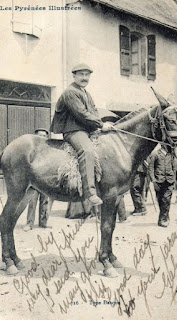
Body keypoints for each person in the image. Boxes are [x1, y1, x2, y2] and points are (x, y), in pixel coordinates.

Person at [50, 63, 112, 206]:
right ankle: (90, 193)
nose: (84, 77)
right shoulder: (70, 92)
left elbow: (94, 111)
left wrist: (100, 126)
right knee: (87, 150)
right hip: (73, 130)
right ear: (74, 76)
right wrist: (101, 124)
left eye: (87, 75)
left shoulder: (85, 93)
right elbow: (81, 114)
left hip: (86, 130)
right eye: (81, 74)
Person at [24, 128, 50, 232]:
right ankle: (29, 224)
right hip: (34, 181)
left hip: (45, 180)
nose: (42, 138)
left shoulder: (49, 151)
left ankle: (43, 223)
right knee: (32, 201)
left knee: (44, 201)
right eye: (40, 135)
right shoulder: (31, 150)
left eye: (44, 136)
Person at [149, 144, 177, 227]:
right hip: (158, 181)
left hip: (169, 180)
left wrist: (174, 178)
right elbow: (151, 168)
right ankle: (163, 217)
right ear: (163, 145)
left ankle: (164, 219)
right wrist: (153, 180)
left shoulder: (171, 155)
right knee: (160, 200)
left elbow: (174, 168)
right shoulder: (155, 154)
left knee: (166, 199)